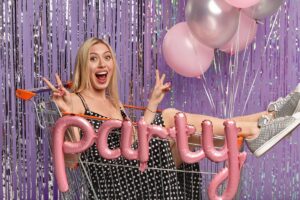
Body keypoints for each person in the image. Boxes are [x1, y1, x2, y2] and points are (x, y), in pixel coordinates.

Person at [43, 37, 300, 199]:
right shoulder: (76, 99)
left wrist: (152, 103)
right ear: (83, 65)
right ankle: (261, 125)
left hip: (137, 170)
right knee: (171, 118)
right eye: (93, 58)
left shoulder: (114, 102)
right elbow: (74, 161)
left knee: (179, 130)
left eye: (107, 57)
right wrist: (64, 114)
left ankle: (267, 118)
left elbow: (134, 141)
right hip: (115, 186)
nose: (102, 64)